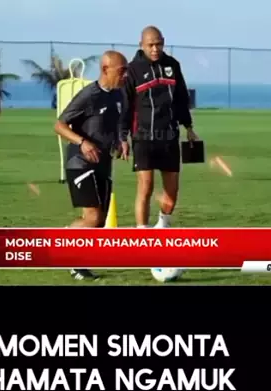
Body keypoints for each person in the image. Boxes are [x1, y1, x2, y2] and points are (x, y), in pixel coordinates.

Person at [54, 50, 128, 280]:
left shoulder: (118, 95)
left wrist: (121, 141)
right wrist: (82, 142)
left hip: (103, 163)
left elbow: (116, 123)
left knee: (100, 221)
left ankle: (79, 262)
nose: (125, 75)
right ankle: (67, 246)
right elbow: (59, 125)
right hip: (80, 162)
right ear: (105, 69)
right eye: (121, 71)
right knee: (93, 217)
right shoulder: (89, 95)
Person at [119, 26, 199, 228]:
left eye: (159, 44)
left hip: (169, 136)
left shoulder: (173, 65)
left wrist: (189, 127)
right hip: (143, 137)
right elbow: (126, 105)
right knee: (145, 187)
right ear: (141, 45)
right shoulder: (133, 70)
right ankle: (142, 232)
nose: (155, 49)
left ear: (163, 42)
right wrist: (123, 137)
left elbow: (181, 98)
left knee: (172, 190)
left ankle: (163, 224)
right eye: (150, 45)